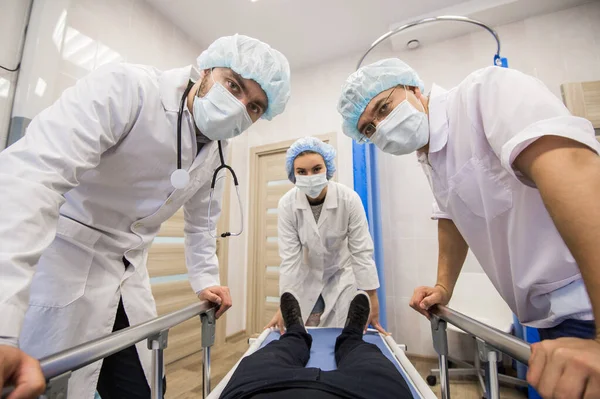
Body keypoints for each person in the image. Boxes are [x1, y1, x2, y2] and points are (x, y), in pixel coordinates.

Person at [0, 34, 291, 399]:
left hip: (127, 272)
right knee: (54, 387)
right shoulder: (127, 90)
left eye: (254, 107)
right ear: (204, 70)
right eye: (233, 85)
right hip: (63, 263)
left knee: (146, 388)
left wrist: (205, 279)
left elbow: (202, 222)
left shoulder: (219, 148)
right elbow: (31, 180)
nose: (239, 106)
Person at [337, 58, 600, 399]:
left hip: (587, 303)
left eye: (383, 108)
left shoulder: (484, 94)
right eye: (369, 129)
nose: (381, 127)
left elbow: (573, 168)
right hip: (554, 318)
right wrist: (443, 286)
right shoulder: (429, 155)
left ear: (413, 88)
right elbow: (451, 215)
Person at [265, 137, 385, 334]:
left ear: (327, 168)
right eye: (301, 172)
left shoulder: (348, 199)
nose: (310, 176)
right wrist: (283, 306)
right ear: (293, 175)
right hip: (307, 277)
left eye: (316, 169)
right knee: (303, 336)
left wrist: (372, 297)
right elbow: (289, 260)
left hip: (342, 275)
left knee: (340, 336)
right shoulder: (287, 204)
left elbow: (361, 251)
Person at [221, 291, 413, 399]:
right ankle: (352, 335)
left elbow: (361, 250)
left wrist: (372, 293)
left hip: (261, 388)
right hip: (368, 392)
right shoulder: (291, 217)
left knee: (276, 352)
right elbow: (291, 257)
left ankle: (296, 330)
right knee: (366, 355)